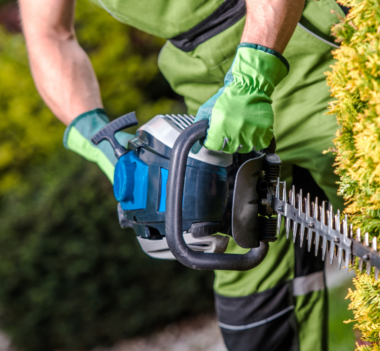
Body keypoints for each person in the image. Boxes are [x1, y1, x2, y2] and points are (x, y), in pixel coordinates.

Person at [19, 0, 348, 349]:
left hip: (306, 42)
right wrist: (98, 138)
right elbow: (48, 34)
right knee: (251, 315)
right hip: (200, 78)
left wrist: (252, 75)